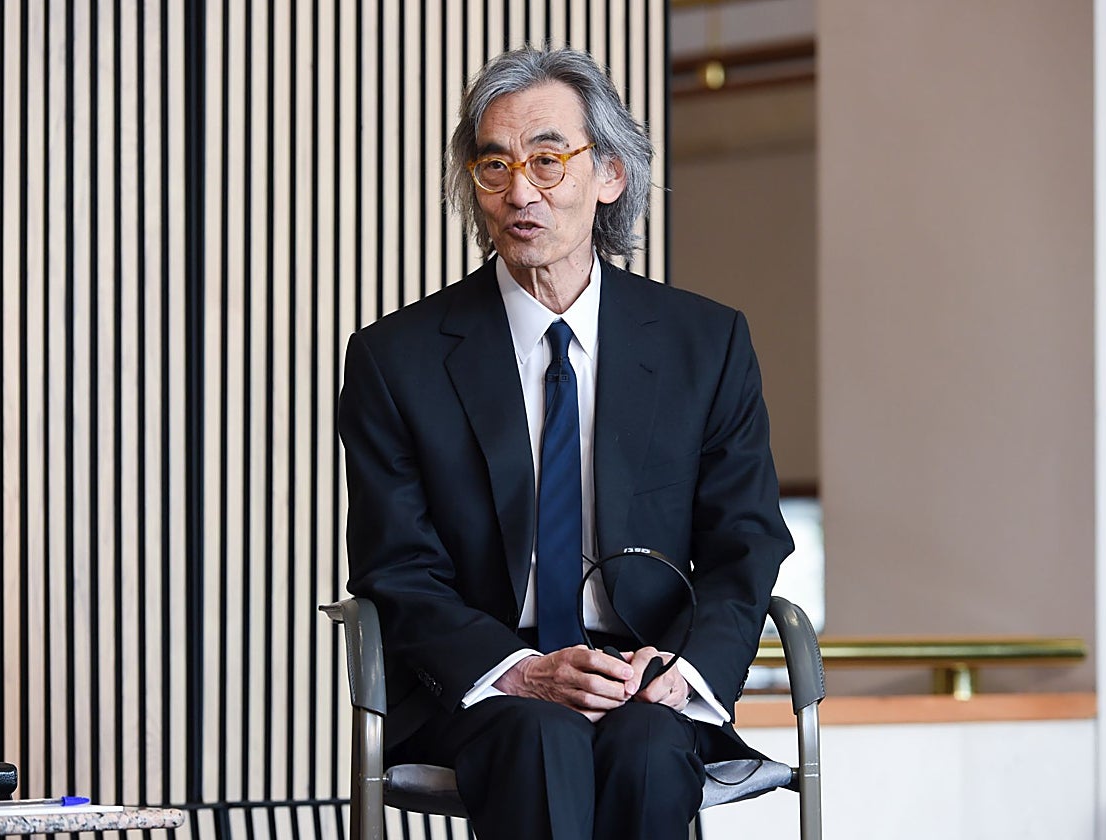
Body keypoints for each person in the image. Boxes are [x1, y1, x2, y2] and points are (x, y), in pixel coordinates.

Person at [338, 46, 793, 840]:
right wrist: (522, 671)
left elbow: (744, 540)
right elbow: (396, 565)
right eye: (494, 166)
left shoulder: (706, 343)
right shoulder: (395, 359)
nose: (520, 192)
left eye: (548, 161)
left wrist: (681, 673)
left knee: (651, 747)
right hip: (487, 682)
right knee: (539, 732)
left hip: (646, 667)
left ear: (609, 175)